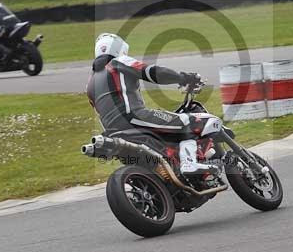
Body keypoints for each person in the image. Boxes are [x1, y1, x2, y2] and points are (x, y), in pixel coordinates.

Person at [86, 32, 216, 179]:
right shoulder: (119, 62)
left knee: (168, 136)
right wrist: (182, 78)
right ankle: (189, 163)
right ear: (119, 49)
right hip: (134, 118)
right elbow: (152, 72)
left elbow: (99, 112)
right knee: (188, 122)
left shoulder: (90, 84)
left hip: (112, 133)